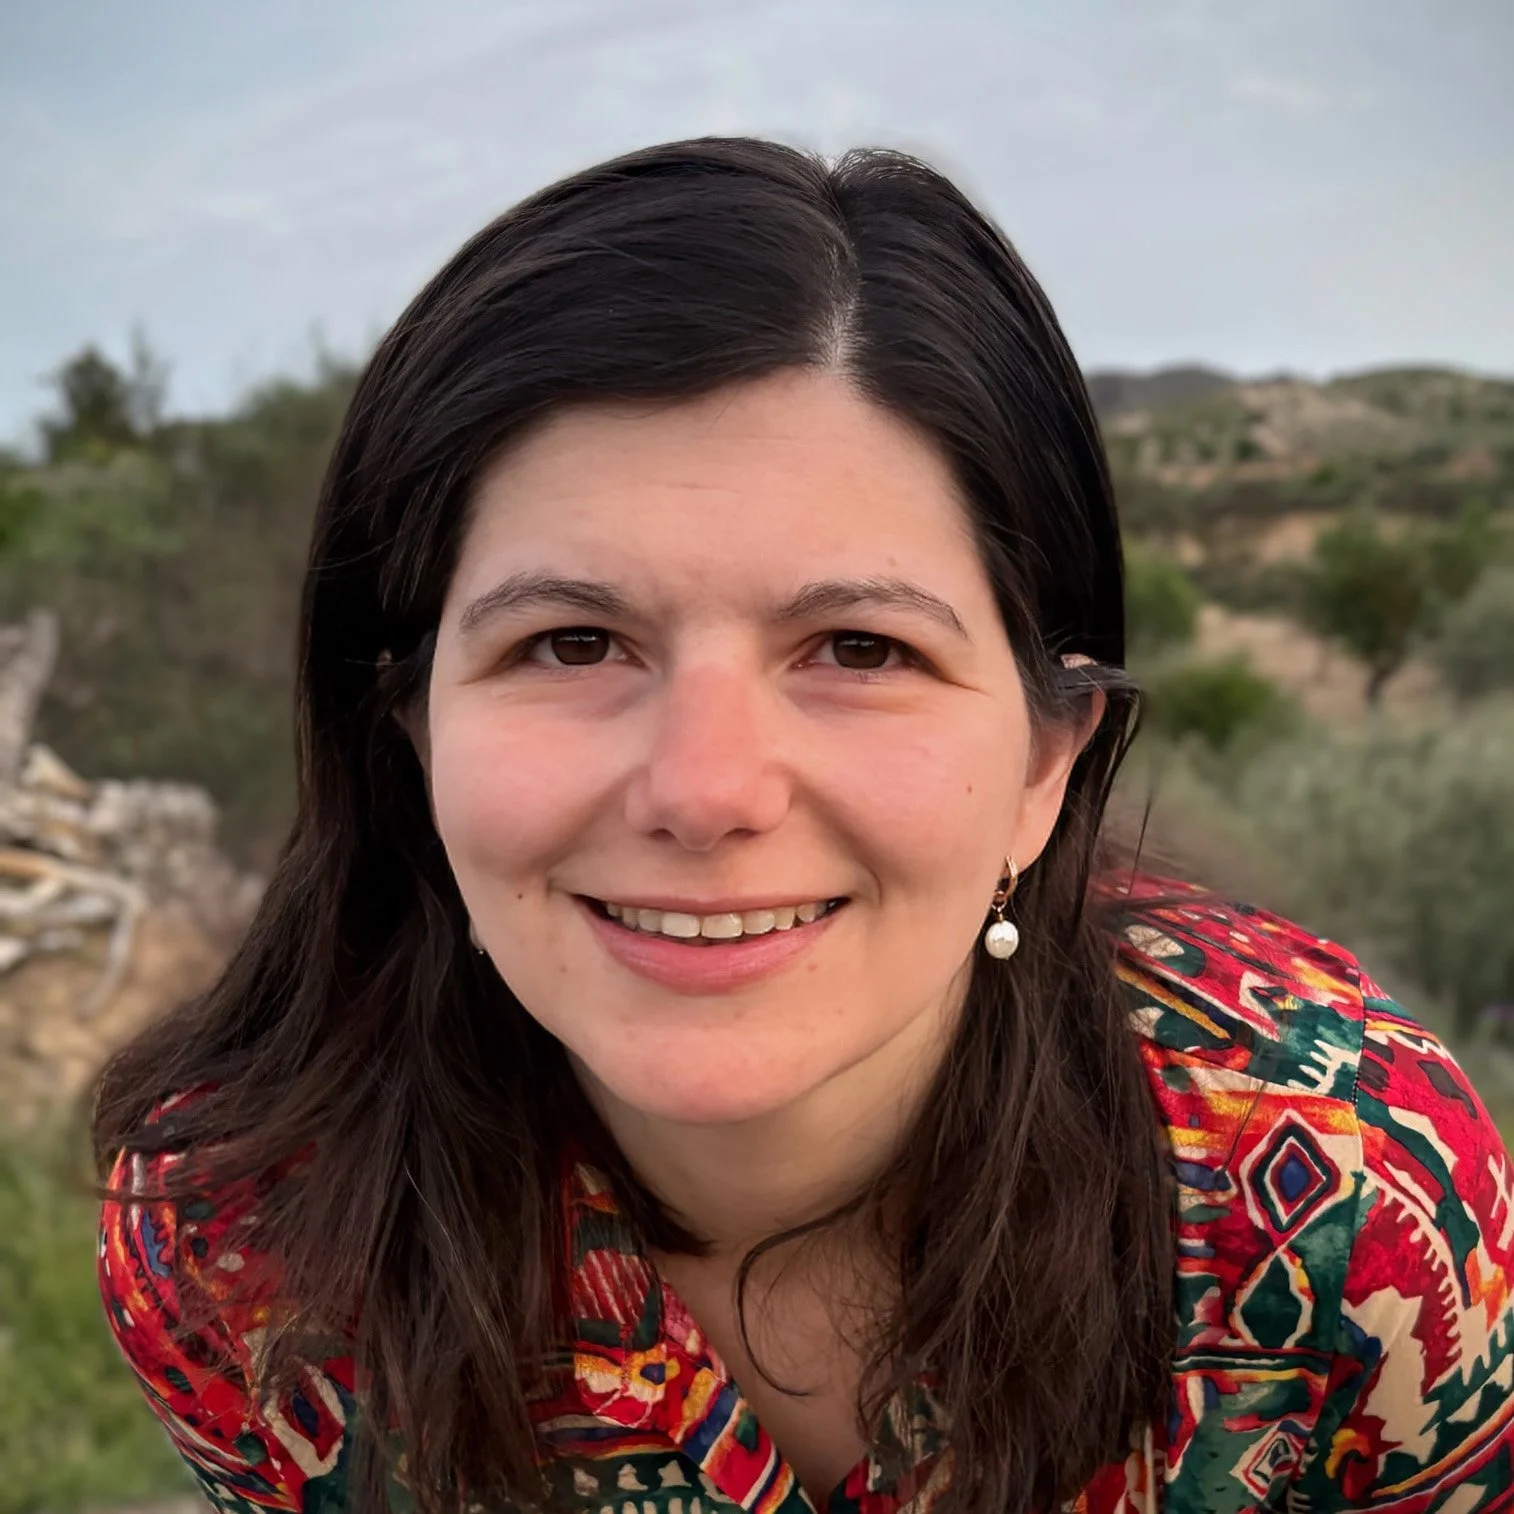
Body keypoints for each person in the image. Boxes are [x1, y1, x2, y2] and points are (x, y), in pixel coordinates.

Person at [95, 138, 1514, 1514]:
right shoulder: (230, 1247)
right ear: (411, 737)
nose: (706, 791)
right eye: (575, 643)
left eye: (857, 647)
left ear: (1045, 761)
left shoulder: (1350, 1199)